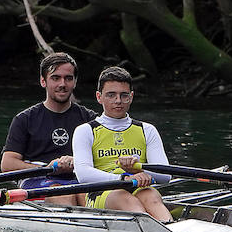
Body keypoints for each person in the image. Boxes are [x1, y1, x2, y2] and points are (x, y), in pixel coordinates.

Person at [72, 65, 173, 222]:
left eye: (124, 95)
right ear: (99, 97)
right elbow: (83, 175)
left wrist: (138, 170)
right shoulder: (85, 131)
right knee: (125, 199)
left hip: (138, 187)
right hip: (102, 192)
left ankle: (170, 227)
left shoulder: (147, 130)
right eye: (111, 95)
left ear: (131, 97)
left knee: (151, 196)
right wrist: (123, 178)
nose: (118, 101)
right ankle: (153, 229)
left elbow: (165, 176)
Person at [0, 52, 97, 206]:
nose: (62, 84)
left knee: (86, 197)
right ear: (43, 81)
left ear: (75, 82)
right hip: (38, 179)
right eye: (55, 78)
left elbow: (105, 158)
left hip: (79, 179)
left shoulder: (90, 119)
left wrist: (78, 162)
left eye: (68, 78)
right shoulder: (24, 119)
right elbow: (7, 164)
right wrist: (48, 168)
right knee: (64, 196)